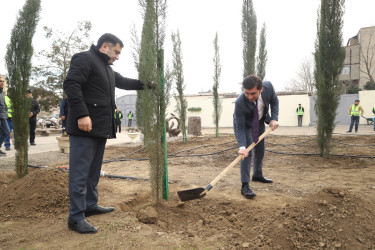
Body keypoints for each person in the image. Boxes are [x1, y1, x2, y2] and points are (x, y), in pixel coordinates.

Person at [63, 33, 146, 234]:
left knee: (93, 172)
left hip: (99, 129)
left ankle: (90, 205)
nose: (118, 56)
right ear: (104, 46)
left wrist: (147, 84)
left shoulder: (106, 69)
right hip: (84, 128)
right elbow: (71, 85)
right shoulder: (85, 59)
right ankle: (75, 217)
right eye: (116, 52)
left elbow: (125, 82)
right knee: (80, 174)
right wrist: (82, 114)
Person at [233, 75, 279, 199]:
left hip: (259, 120)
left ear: (261, 89)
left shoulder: (268, 87)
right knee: (247, 152)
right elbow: (240, 128)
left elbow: (275, 101)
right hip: (244, 124)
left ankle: (257, 174)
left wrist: (274, 118)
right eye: (246, 93)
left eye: (253, 93)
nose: (249, 96)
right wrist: (242, 147)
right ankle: (245, 185)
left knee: (260, 148)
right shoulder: (240, 102)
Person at [0, 77, 10, 156]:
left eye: (3, 81)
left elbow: (4, 106)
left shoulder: (1, 93)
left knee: (6, 132)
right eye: (0, 81)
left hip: (2, 117)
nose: (2, 82)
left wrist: (5, 113)